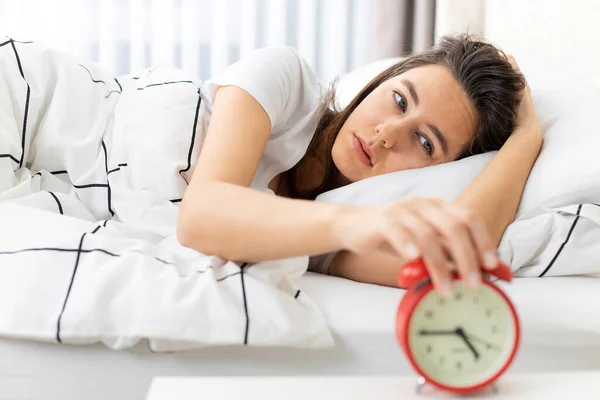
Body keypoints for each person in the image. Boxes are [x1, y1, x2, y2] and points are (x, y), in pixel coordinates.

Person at [177, 34, 543, 296]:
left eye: (425, 141)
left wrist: (526, 138)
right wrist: (355, 225)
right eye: (399, 100)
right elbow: (201, 216)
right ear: (379, 82)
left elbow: (446, 264)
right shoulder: (286, 83)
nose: (387, 133)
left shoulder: (339, 225)